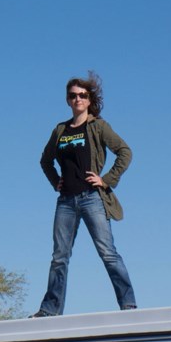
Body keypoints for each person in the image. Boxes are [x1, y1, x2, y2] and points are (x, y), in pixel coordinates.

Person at [33, 72, 137, 316]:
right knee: (59, 257)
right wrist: (55, 182)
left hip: (92, 198)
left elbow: (125, 152)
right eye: (73, 95)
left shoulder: (98, 126)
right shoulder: (60, 130)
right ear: (68, 100)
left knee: (108, 253)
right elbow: (45, 161)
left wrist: (107, 180)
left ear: (89, 100)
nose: (78, 99)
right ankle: (50, 310)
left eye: (82, 95)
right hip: (66, 201)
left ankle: (128, 305)